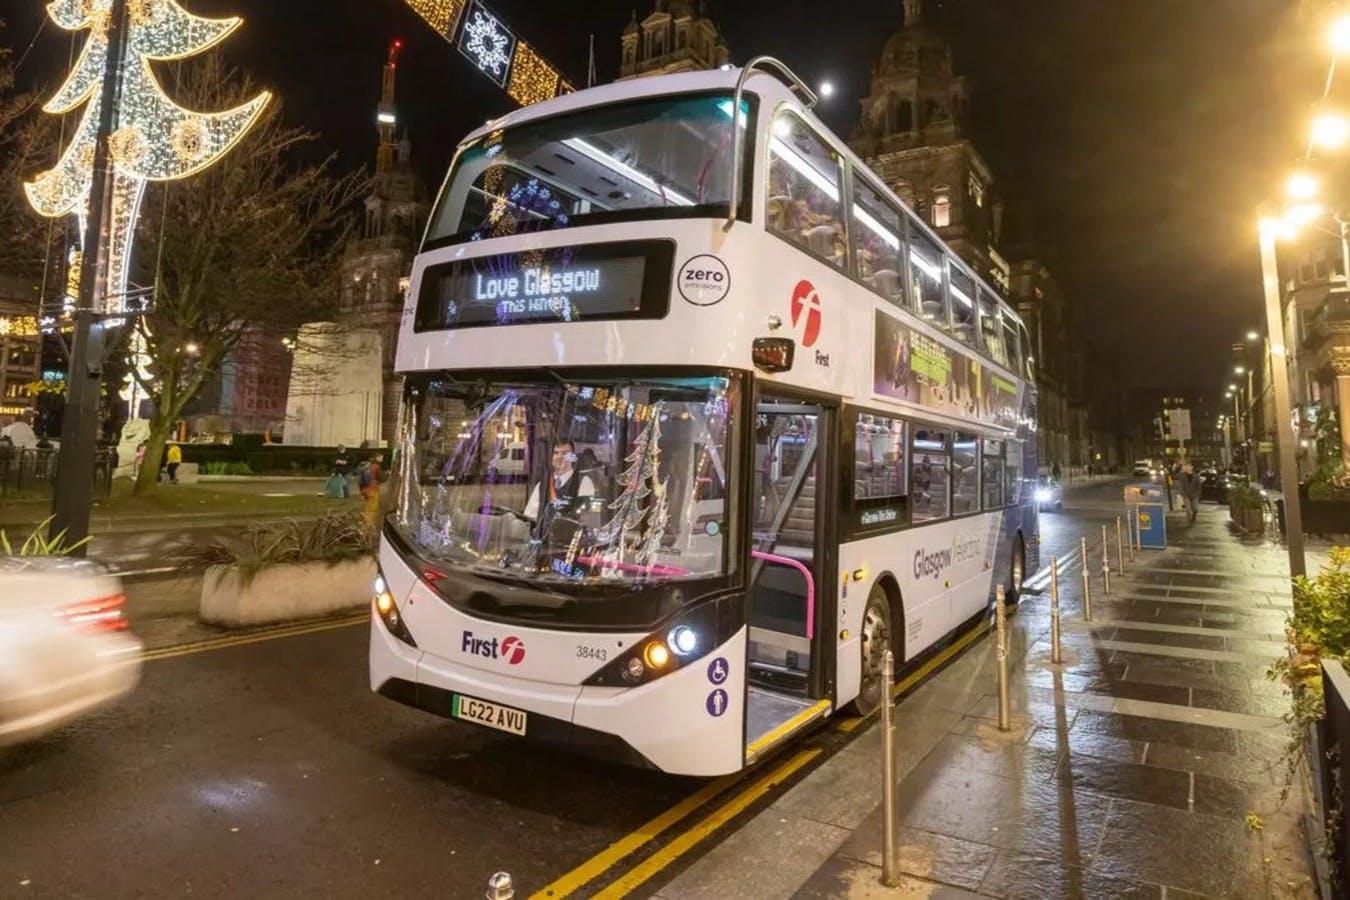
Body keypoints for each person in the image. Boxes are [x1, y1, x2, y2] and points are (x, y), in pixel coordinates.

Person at [523, 440, 597, 528]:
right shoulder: (542, 485)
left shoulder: (584, 482)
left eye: (565, 453)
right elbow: (530, 517)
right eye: (556, 453)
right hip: (546, 536)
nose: (560, 456)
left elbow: (588, 518)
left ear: (572, 457)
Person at [360, 452, 384, 528]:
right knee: (372, 509)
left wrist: (362, 491)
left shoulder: (367, 466)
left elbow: (360, 479)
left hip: (365, 490)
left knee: (368, 507)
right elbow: (381, 478)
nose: (382, 459)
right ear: (377, 458)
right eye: (381, 457)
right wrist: (387, 475)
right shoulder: (377, 467)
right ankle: (368, 526)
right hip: (373, 489)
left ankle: (365, 523)